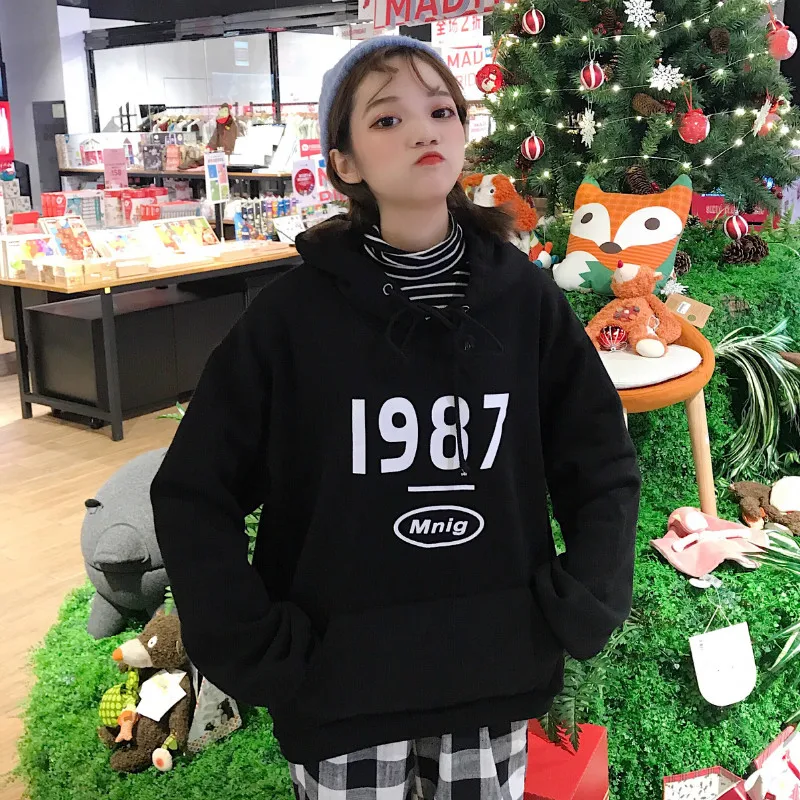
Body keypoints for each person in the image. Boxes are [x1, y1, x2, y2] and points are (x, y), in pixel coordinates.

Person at [150, 36, 641, 800]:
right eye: (387, 119)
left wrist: (583, 603)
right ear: (344, 162)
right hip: (341, 692)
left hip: (492, 675)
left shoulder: (524, 299)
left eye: (442, 111)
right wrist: (253, 646)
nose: (423, 131)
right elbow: (193, 491)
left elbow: (601, 460)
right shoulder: (291, 320)